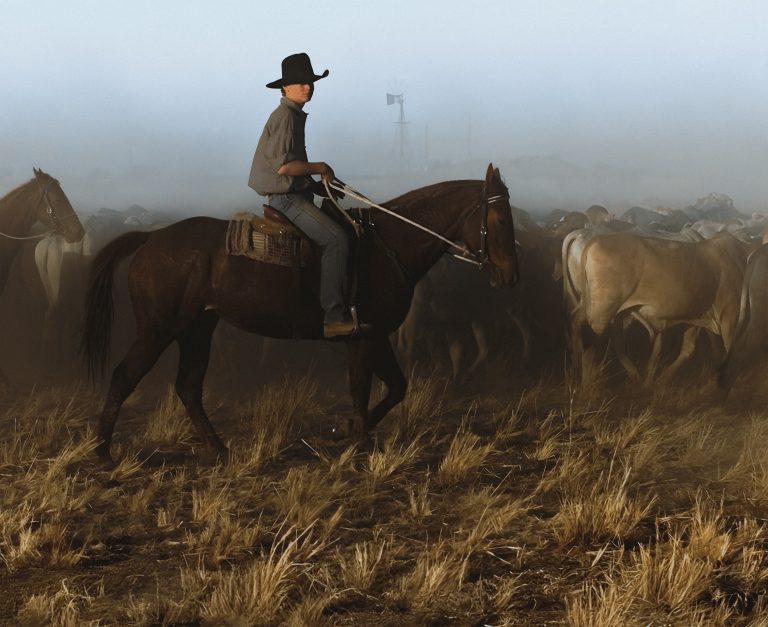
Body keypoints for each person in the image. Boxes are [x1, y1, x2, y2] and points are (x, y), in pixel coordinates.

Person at [249, 52, 359, 339]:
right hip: (285, 200)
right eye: (300, 83)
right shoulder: (286, 116)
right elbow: (285, 167)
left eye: (310, 82)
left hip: (293, 194)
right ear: (285, 88)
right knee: (337, 239)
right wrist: (320, 167)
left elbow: (293, 171)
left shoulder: (293, 115)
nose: (307, 87)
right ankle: (334, 317)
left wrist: (316, 184)